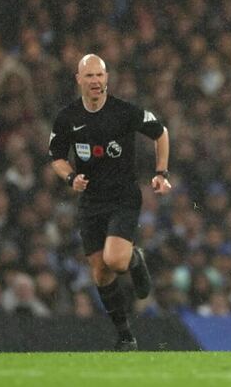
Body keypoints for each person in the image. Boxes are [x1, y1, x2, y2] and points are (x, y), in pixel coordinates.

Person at [48, 54, 171, 351]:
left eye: (100, 76)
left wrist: (161, 172)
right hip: (91, 201)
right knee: (100, 273)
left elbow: (161, 132)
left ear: (107, 79)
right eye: (89, 76)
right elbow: (57, 157)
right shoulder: (67, 118)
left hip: (123, 197)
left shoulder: (124, 111)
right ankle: (125, 335)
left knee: (115, 260)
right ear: (79, 79)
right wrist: (70, 178)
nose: (95, 81)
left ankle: (134, 258)